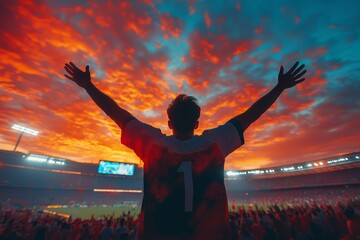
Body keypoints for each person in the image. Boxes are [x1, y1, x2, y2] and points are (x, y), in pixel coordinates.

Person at [64, 61, 306, 240]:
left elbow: (117, 113)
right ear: (197, 123)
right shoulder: (216, 142)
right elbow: (249, 116)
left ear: (169, 124)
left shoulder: (152, 144)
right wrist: (279, 88)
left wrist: (88, 86)